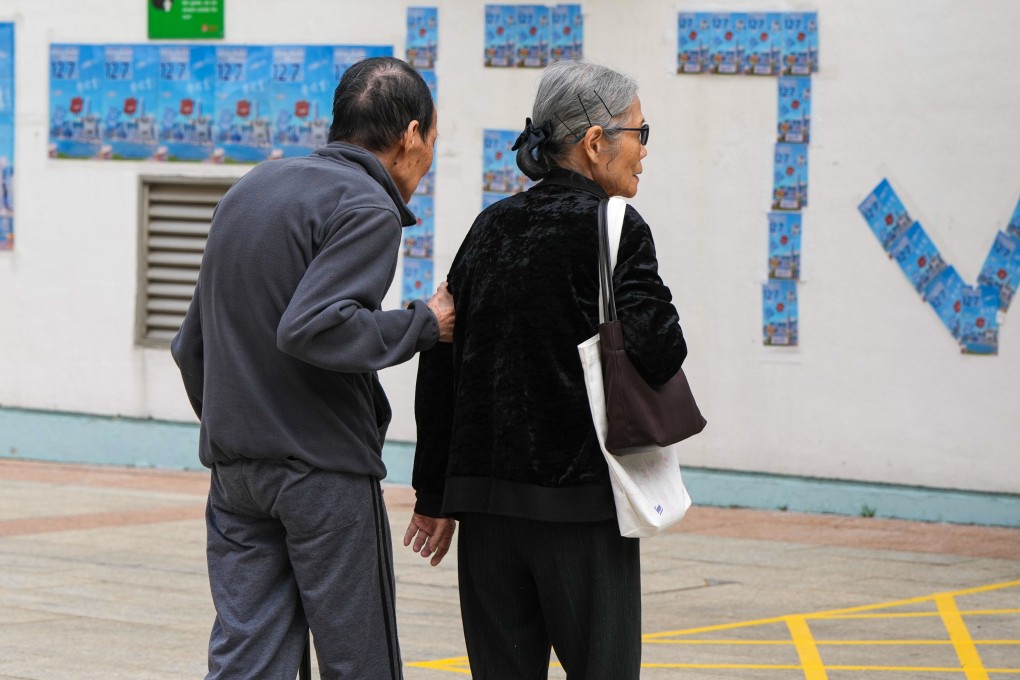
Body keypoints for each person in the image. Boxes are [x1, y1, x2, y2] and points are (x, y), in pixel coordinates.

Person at [171, 56, 456, 680]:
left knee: (250, 657)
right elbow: (313, 326)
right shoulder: (368, 205)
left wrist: (242, 424)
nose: (430, 159)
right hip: (323, 476)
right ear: (410, 134)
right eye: (433, 141)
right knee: (360, 660)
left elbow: (189, 344)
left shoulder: (250, 188)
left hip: (237, 475)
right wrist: (424, 324)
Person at [406, 60, 689, 679]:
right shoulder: (614, 227)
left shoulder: (490, 227)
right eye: (640, 133)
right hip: (581, 511)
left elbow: (442, 361)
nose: (643, 151)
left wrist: (434, 494)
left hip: (485, 514)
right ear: (595, 143)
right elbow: (661, 349)